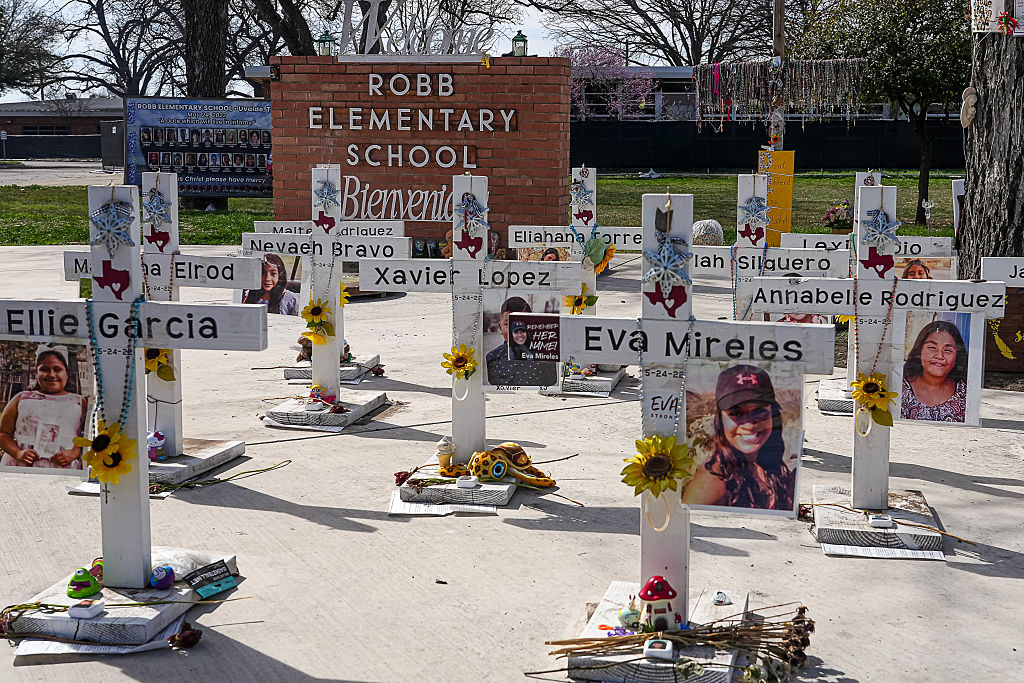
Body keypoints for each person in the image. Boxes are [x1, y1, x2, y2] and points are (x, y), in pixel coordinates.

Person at [682, 364, 795, 511]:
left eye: (759, 411)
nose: (749, 423)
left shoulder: (764, 463)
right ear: (720, 419)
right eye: (737, 413)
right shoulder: (711, 485)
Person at [0, 345, 88, 470]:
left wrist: (74, 452)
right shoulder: (22, 398)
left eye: (57, 369)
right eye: (45, 369)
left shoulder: (79, 402)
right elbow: (3, 434)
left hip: (63, 469)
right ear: (36, 372)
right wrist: (18, 453)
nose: (51, 374)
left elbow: (86, 437)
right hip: (21, 467)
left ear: (67, 374)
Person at [901, 320, 968, 422]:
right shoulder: (900, 388)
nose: (939, 356)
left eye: (947, 350)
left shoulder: (965, 392)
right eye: (932, 348)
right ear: (920, 350)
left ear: (957, 356)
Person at [485, 297, 556, 387]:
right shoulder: (492, 358)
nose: (515, 331)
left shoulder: (546, 358)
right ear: (500, 327)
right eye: (508, 324)